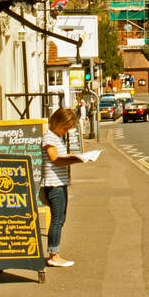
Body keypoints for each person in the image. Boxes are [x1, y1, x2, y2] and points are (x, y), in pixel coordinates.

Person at [41, 108, 84, 268]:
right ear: (57, 122)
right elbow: (55, 159)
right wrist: (76, 159)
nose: (65, 131)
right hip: (54, 184)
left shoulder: (56, 137)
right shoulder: (49, 137)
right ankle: (53, 255)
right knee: (57, 220)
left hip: (60, 182)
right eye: (65, 128)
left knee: (60, 219)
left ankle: (55, 253)